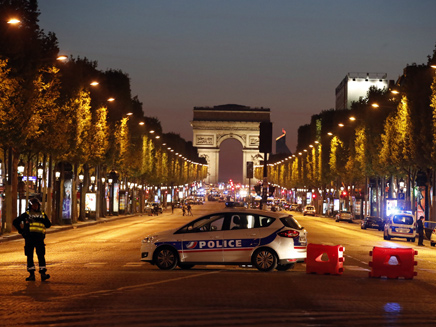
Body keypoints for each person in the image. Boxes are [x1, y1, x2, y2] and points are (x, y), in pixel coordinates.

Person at [13, 198, 52, 281]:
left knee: (41, 255)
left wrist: (42, 220)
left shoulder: (42, 214)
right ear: (30, 206)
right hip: (29, 238)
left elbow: (48, 224)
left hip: (39, 238)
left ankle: (43, 273)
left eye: (37, 205)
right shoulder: (26, 214)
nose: (35, 206)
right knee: (30, 256)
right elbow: (15, 222)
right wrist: (21, 231)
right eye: (34, 205)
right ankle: (31, 275)